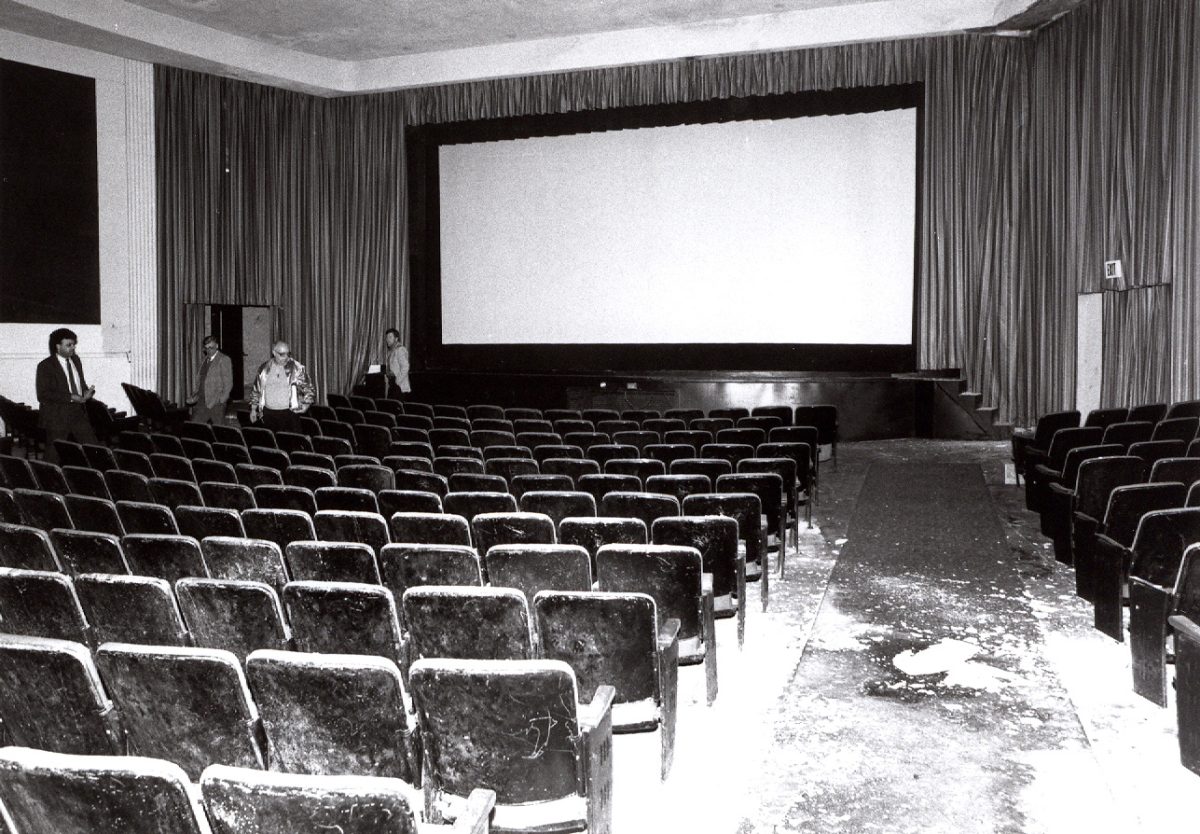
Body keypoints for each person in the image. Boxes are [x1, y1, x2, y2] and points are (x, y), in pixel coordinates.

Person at [36, 328, 98, 463]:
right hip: (57, 416)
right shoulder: (45, 366)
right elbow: (43, 394)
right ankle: (48, 476)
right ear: (58, 346)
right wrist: (71, 397)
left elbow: (80, 383)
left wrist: (86, 392)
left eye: (74, 344)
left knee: (94, 448)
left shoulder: (76, 360)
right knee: (53, 456)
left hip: (77, 412)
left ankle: (99, 474)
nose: (73, 347)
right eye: (69, 345)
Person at [248, 340, 315, 433]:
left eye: (288, 354)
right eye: (282, 354)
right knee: (271, 441)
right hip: (268, 413)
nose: (286, 357)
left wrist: (306, 404)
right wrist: (253, 409)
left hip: (289, 414)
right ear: (274, 352)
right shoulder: (264, 368)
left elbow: (309, 388)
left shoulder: (296, 367)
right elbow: (256, 390)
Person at [185, 335, 233, 425]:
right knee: (194, 427)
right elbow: (200, 380)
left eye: (211, 348)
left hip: (216, 403)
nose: (209, 351)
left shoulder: (224, 359)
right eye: (206, 348)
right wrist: (195, 394)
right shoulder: (204, 360)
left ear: (217, 346)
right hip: (201, 401)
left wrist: (222, 400)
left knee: (219, 429)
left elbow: (228, 383)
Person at [383, 327, 410, 399]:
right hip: (392, 385)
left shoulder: (400, 349)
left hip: (399, 387)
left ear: (396, 339)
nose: (387, 339)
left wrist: (397, 381)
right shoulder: (391, 351)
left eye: (390, 337)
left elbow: (405, 367)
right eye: (386, 337)